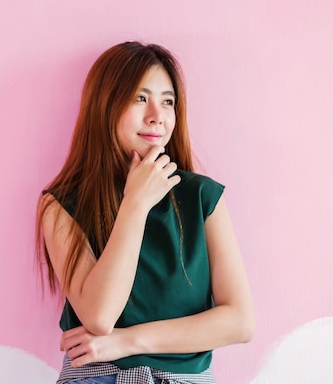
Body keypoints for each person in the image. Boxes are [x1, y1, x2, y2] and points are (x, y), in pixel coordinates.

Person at [36, 41, 255, 384]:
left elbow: (240, 322)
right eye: (140, 98)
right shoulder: (61, 204)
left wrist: (127, 342)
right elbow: (99, 317)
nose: (157, 115)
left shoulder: (202, 197)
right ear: (106, 105)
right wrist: (135, 203)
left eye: (167, 101)